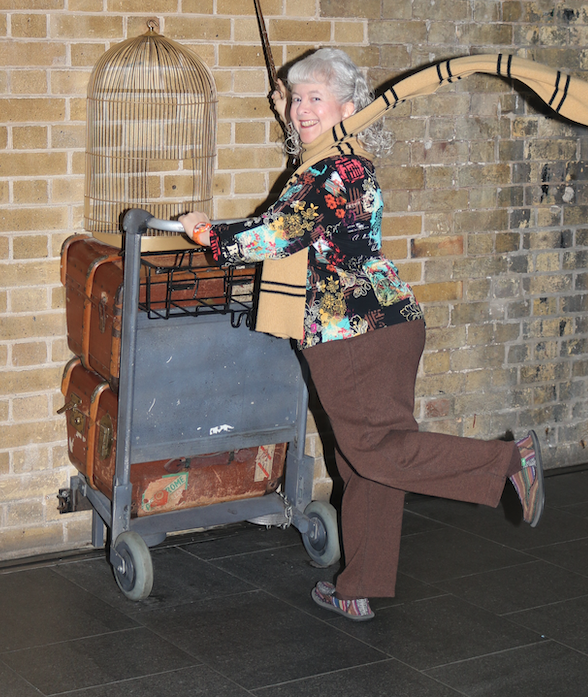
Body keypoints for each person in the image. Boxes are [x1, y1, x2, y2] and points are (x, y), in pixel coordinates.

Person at [177, 47, 545, 621]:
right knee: (366, 461)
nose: (301, 109)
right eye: (296, 99)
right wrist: (289, 108)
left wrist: (208, 234)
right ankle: (360, 585)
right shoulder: (341, 160)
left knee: (374, 450)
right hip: (383, 325)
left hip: (353, 333)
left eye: (314, 99)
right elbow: (302, 164)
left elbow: (276, 234)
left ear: (350, 108)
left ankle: (505, 466)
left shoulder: (336, 172)